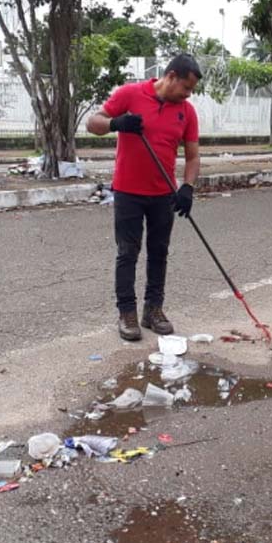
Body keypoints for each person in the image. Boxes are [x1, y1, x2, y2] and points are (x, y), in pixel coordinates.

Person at [86, 54, 202, 341]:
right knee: (127, 253)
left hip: (163, 193)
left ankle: (153, 310)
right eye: (186, 88)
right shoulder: (130, 94)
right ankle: (127, 314)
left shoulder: (186, 112)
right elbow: (93, 123)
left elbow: (193, 155)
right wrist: (117, 124)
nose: (188, 95)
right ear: (172, 76)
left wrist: (187, 187)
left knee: (159, 253)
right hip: (128, 192)